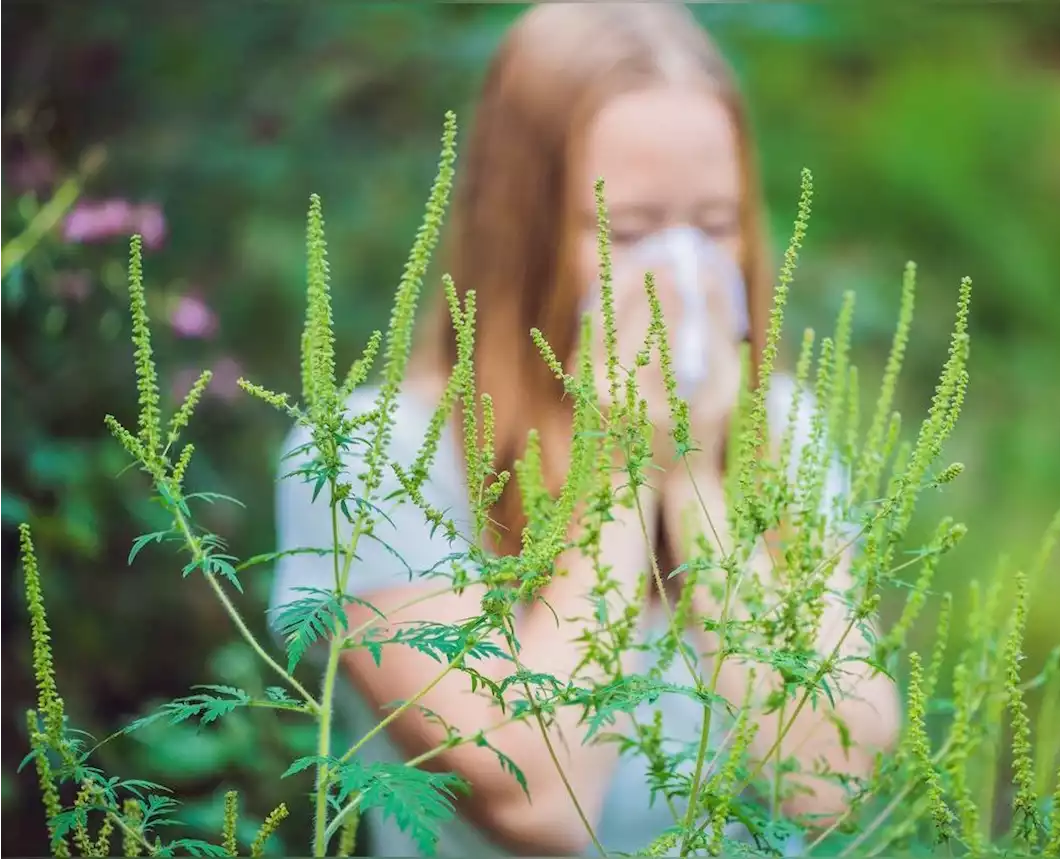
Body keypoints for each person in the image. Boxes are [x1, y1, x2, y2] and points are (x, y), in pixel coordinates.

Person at [271, 5, 900, 856]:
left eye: (712, 226)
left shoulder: (786, 429)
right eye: (630, 232)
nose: (678, 272)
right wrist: (625, 469)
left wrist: (698, 479)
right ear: (520, 232)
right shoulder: (372, 459)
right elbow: (540, 801)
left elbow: (829, 781)